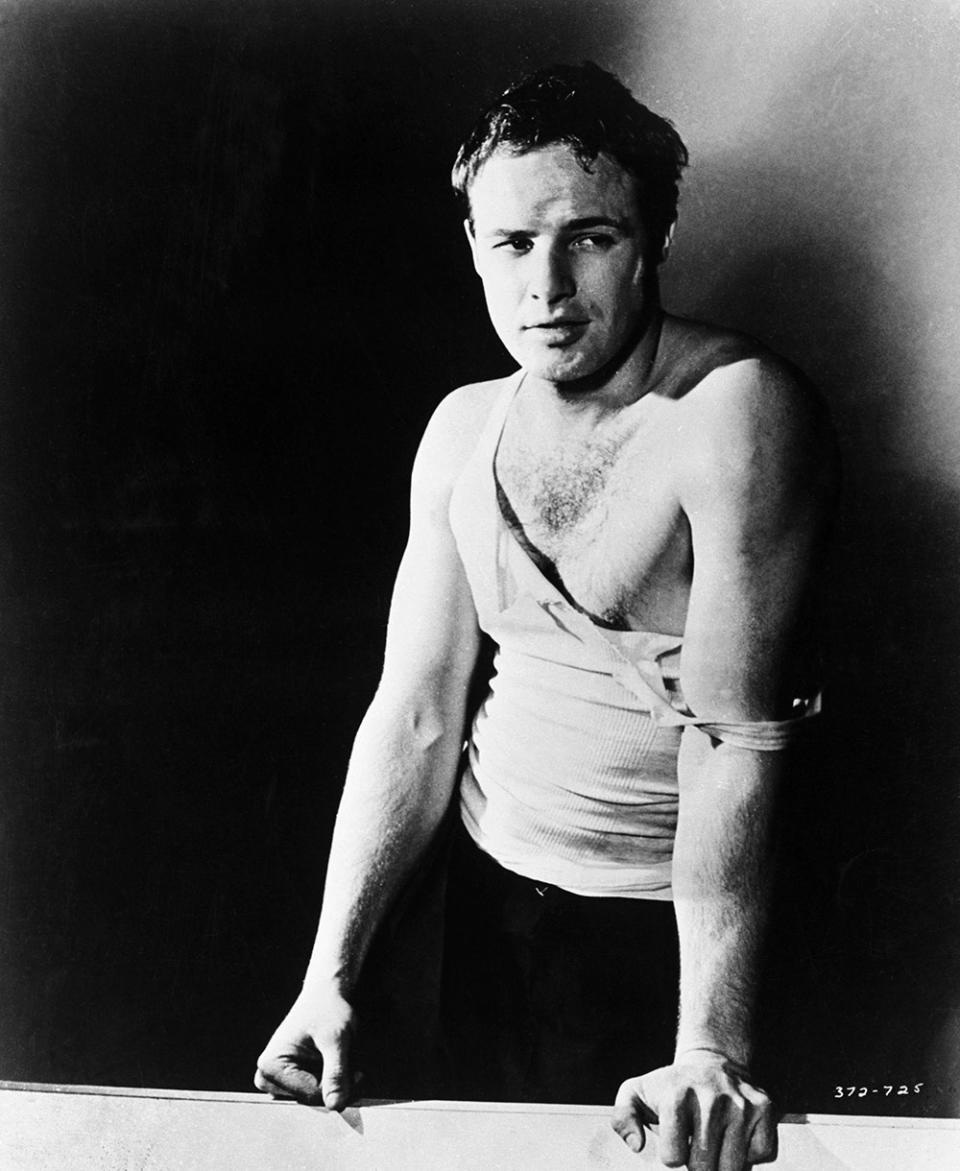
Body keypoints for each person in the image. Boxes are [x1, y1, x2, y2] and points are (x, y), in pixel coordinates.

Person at [255, 62, 838, 1170]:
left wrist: (708, 1044)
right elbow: (416, 715)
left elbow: (734, 744)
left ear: (655, 237)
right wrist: (328, 974)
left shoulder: (737, 416)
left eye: (593, 238)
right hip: (488, 902)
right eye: (513, 244)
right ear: (474, 245)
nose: (548, 287)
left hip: (669, 934)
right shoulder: (461, 428)